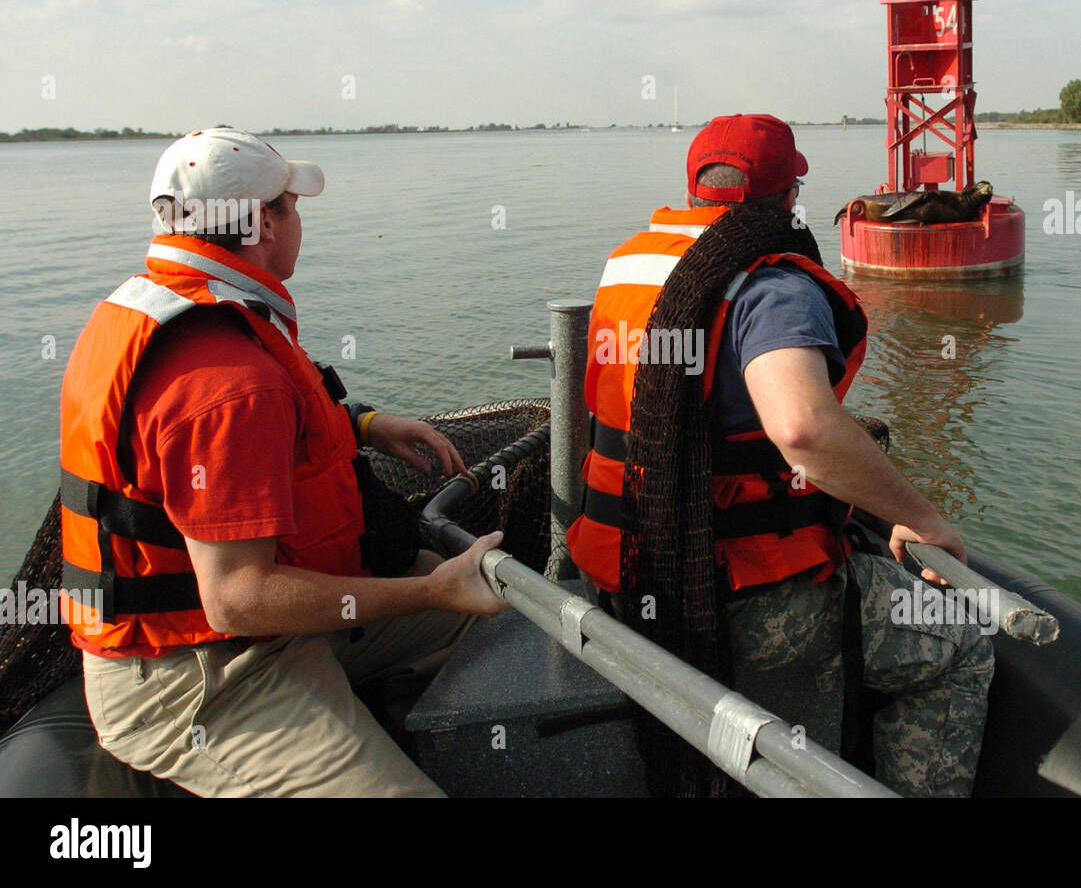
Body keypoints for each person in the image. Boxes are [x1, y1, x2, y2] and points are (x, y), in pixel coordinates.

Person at [58, 127, 508, 797]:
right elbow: (238, 597)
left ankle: (393, 717)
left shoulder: (167, 308)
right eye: (293, 207)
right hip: (203, 674)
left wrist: (366, 424)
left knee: (494, 613)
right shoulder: (228, 381)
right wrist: (429, 590)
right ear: (264, 221)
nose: (300, 222)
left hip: (252, 630)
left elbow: (264, 432)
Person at [566, 113, 994, 797]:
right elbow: (802, 428)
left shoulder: (631, 260)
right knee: (962, 645)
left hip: (624, 579)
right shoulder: (773, 285)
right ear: (789, 195)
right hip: (742, 599)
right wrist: (925, 518)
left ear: (696, 187)